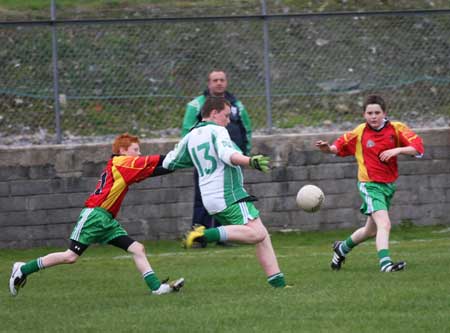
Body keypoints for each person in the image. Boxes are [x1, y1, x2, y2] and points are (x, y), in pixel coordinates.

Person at [9, 133, 184, 297]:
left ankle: (157, 288)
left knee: (137, 248)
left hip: (106, 220)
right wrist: (177, 153)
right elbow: (155, 161)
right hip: (94, 215)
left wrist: (180, 163)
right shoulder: (121, 162)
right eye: (135, 150)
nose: (139, 154)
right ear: (123, 151)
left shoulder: (126, 167)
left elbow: (157, 169)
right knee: (70, 256)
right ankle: (23, 269)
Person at [164, 96, 287, 288]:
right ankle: (203, 235)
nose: (229, 121)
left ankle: (278, 283)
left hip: (210, 198)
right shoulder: (218, 130)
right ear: (214, 114)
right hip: (229, 194)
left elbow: (169, 162)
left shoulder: (190, 136)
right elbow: (226, 154)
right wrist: (250, 161)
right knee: (257, 234)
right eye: (226, 116)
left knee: (262, 235)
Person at [316, 94, 424, 272]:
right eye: (369, 113)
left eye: (377, 112)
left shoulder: (397, 129)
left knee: (370, 231)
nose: (373, 116)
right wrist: (327, 149)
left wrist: (397, 150)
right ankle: (385, 264)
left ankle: (341, 249)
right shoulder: (359, 132)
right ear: (364, 114)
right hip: (369, 185)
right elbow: (338, 147)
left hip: (388, 185)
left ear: (384, 113)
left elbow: (418, 148)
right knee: (385, 223)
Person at [182, 70, 252, 239]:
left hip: (231, 159)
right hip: (207, 162)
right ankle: (198, 236)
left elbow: (247, 128)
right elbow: (187, 130)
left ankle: (226, 236)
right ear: (209, 83)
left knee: (230, 199)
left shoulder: (236, 105)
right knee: (202, 198)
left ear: (226, 82)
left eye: (222, 79)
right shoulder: (197, 104)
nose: (219, 83)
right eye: (215, 80)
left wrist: (245, 152)